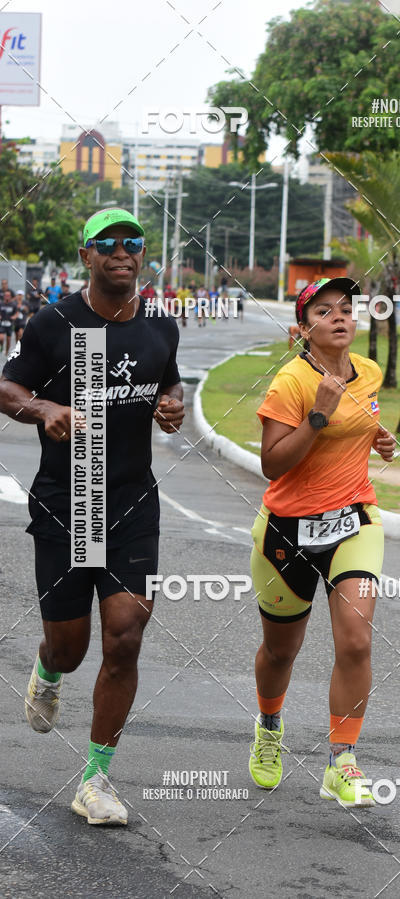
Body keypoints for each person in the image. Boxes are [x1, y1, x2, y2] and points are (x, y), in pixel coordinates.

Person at [0, 207, 184, 826]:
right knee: (72, 647)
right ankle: (49, 668)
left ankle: (96, 779)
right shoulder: (54, 324)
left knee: (126, 634)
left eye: (133, 242)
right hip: (68, 500)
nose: (122, 251)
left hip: (132, 501)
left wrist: (171, 405)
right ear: (86, 256)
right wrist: (43, 408)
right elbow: (7, 388)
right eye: (107, 243)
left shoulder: (160, 327)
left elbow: (169, 384)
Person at [248, 277, 395, 807]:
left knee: (355, 641)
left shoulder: (369, 372)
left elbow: (362, 423)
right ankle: (269, 726)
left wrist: (379, 438)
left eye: (347, 309)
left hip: (354, 520)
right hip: (287, 531)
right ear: (303, 328)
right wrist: (318, 415)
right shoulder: (290, 382)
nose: (339, 317)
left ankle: (342, 761)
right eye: (324, 310)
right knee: (280, 651)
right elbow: (272, 463)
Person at [0, 288, 17, 355]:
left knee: (8, 340)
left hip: (10, 324)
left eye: (8, 295)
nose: (7, 296)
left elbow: (16, 313)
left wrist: (14, 317)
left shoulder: (13, 304)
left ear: (10, 296)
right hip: (2, 323)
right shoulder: (1, 304)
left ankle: (7, 351)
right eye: (6, 295)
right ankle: (1, 346)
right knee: (1, 338)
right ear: (4, 296)